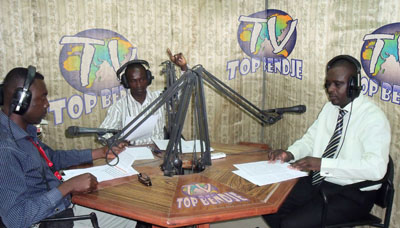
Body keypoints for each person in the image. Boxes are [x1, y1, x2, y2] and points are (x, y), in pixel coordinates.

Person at [263, 55, 391, 228]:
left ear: (353, 85)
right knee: (269, 206)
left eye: (337, 84)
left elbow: (376, 169)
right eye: (328, 84)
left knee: (291, 224)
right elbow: (310, 140)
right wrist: (290, 153)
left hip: (353, 193)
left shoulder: (373, 118)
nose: (330, 90)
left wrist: (323, 164)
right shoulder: (330, 109)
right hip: (319, 182)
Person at [0, 67, 137, 228]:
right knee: (132, 216)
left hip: (59, 208)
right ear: (21, 102)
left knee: (121, 204)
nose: (47, 104)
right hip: (47, 221)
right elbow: (15, 219)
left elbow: (53, 157)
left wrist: (100, 152)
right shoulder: (6, 150)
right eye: (42, 98)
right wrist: (67, 187)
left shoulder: (24, 132)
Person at [99, 49, 188, 145]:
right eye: (133, 81)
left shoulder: (160, 98)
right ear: (126, 83)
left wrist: (183, 67)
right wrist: (115, 142)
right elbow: (102, 133)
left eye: (142, 79)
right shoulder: (119, 107)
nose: (138, 84)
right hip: (132, 152)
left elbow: (179, 92)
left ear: (148, 79)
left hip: (158, 152)